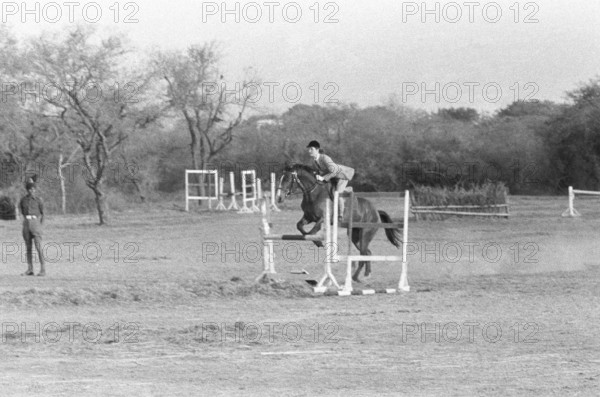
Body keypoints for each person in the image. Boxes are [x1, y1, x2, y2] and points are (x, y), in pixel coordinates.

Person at [306, 140, 355, 221]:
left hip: (341, 176)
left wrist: (323, 178)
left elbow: (334, 171)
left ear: (317, 150)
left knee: (337, 194)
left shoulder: (325, 158)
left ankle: (340, 214)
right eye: (309, 149)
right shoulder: (314, 161)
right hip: (332, 177)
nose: (309, 151)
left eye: (311, 149)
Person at [19, 177, 46, 276]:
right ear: (27, 189)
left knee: (38, 247)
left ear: (35, 189)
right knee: (28, 247)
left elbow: (43, 214)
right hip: (26, 223)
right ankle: (30, 269)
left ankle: (43, 269)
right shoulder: (23, 200)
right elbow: (22, 212)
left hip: (36, 223)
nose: (32, 190)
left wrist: (41, 226)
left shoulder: (39, 200)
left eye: (33, 189)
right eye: (30, 189)